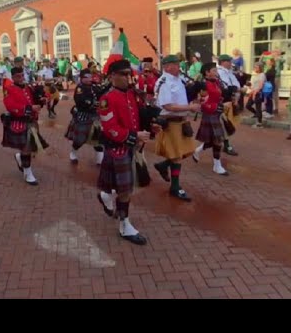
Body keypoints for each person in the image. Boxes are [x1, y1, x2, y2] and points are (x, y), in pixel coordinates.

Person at [97, 59, 154, 246]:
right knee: (125, 190)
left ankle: (105, 194)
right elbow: (110, 129)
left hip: (131, 146)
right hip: (118, 148)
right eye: (123, 74)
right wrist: (133, 136)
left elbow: (137, 118)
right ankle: (124, 225)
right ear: (112, 76)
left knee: (120, 186)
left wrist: (151, 129)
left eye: (128, 74)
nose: (127, 77)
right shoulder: (106, 99)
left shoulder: (132, 95)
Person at [152, 55, 200, 201]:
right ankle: (175, 187)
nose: (179, 67)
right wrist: (189, 107)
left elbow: (184, 94)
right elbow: (168, 106)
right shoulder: (164, 82)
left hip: (181, 121)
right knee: (177, 156)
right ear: (167, 67)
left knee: (187, 151)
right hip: (170, 122)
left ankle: (163, 166)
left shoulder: (178, 79)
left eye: (179, 64)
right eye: (176, 64)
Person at [1, 67, 49, 186]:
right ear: (12, 78)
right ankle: (27, 173)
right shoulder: (9, 89)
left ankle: (20, 157)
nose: (21, 78)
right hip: (20, 122)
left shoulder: (29, 87)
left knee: (31, 148)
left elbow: (36, 99)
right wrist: (29, 108)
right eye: (18, 76)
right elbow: (10, 106)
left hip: (32, 121)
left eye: (22, 75)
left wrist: (42, 100)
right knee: (27, 149)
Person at [192, 62, 229, 175]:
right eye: (214, 70)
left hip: (217, 114)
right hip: (210, 114)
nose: (216, 72)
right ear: (207, 73)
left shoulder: (216, 82)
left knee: (214, 141)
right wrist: (217, 107)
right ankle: (217, 166)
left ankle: (197, 151)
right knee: (218, 142)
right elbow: (202, 102)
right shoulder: (204, 85)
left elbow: (218, 95)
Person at [65, 69, 104, 165]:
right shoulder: (80, 88)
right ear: (82, 78)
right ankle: (73, 153)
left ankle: (100, 160)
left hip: (95, 117)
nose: (90, 78)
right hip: (83, 116)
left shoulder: (94, 86)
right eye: (88, 77)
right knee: (79, 139)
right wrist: (92, 103)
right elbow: (80, 100)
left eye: (90, 76)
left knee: (98, 139)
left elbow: (101, 94)